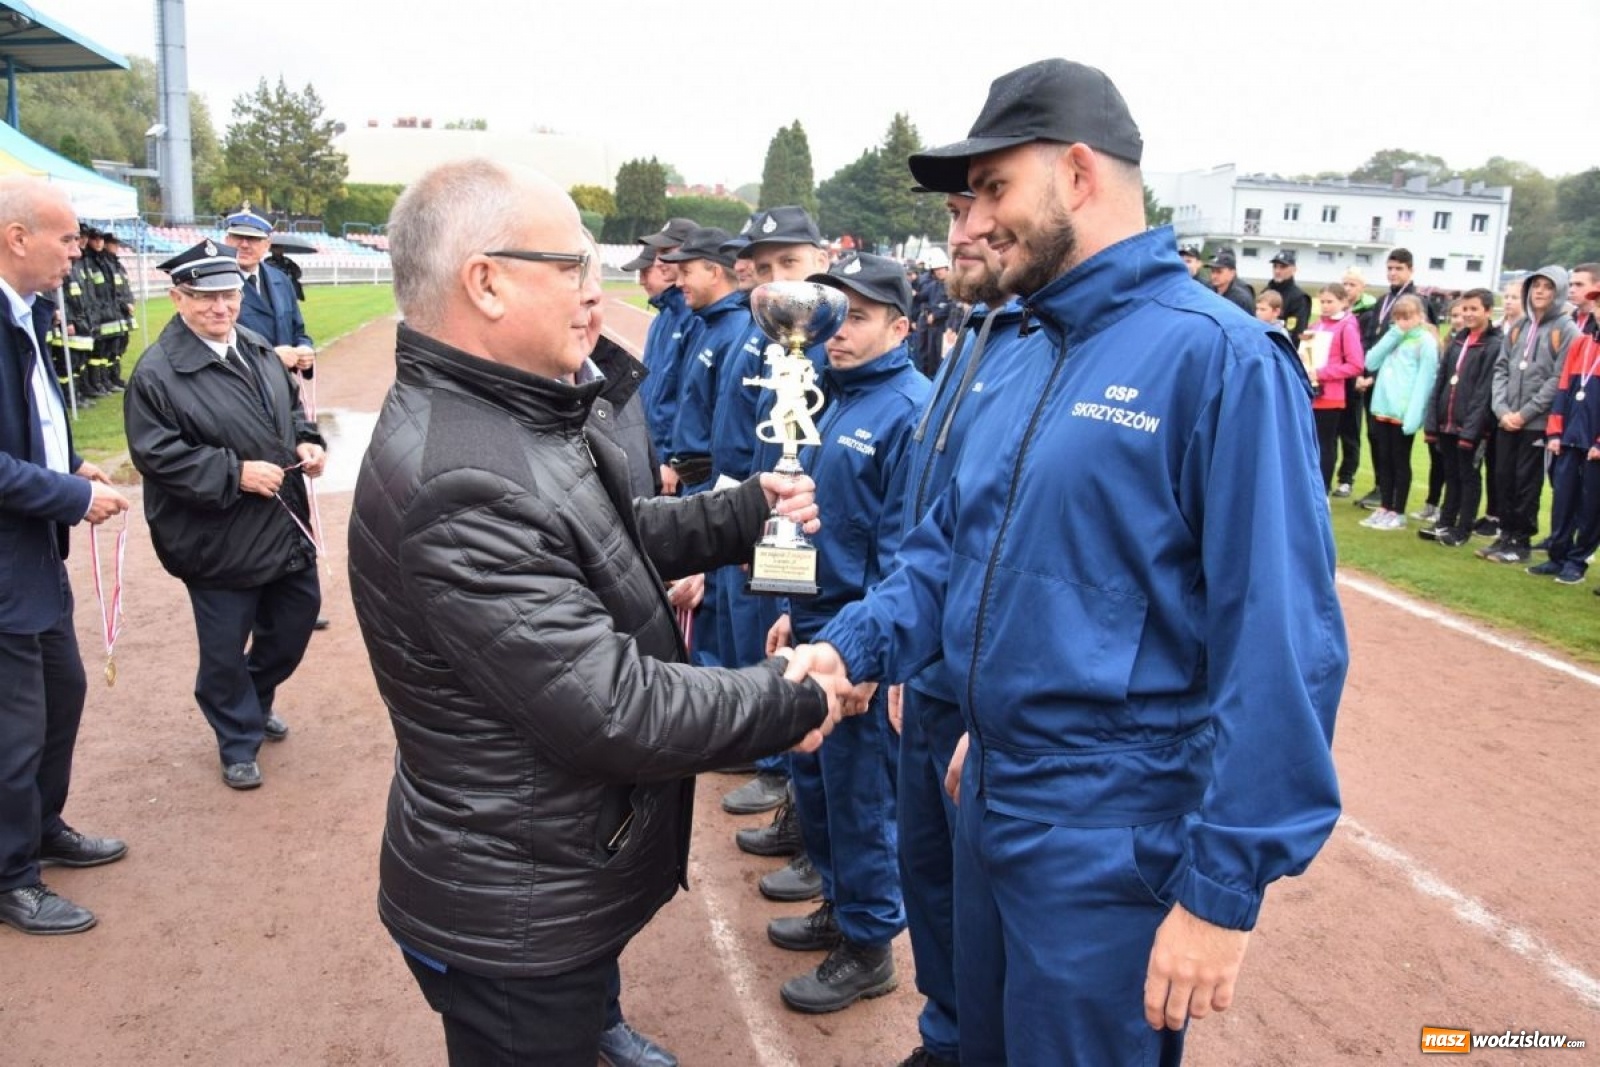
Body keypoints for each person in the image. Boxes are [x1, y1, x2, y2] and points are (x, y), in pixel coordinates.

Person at [787, 58, 1345, 1066]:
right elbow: (946, 555)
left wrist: (1220, 895)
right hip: (991, 798)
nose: (969, 222)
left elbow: (1282, 643)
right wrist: (848, 647)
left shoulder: (1217, 357)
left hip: (1111, 839)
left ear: (1078, 172)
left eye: (992, 189)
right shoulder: (1020, 346)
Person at [346, 158, 840, 1067]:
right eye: (572, 266)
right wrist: (792, 694)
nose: (598, 290)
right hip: (515, 915)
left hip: (542, 864)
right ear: (485, 282)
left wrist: (740, 512)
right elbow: (618, 707)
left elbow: (597, 538)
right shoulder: (464, 475)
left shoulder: (503, 413)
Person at [886, 190, 1041, 1067]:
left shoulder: (1037, 347)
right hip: (932, 660)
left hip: (981, 684)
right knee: (930, 873)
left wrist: (986, 710)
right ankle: (946, 1033)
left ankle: (975, 1038)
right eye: (953, 211)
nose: (962, 233)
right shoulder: (970, 334)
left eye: (986, 205)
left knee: (990, 903)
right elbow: (935, 524)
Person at [762, 252, 930, 1015]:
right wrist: (793, 607)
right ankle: (840, 907)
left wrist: (869, 662)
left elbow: (905, 553)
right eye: (834, 312)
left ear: (901, 325)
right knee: (819, 792)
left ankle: (869, 946)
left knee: (862, 801)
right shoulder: (827, 396)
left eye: (858, 315)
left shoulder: (911, 411)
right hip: (818, 624)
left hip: (862, 645)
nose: (838, 329)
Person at [123, 240, 327, 790]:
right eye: (206, 297)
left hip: (282, 523)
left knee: (294, 623)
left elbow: (291, 412)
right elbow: (156, 454)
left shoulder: (257, 346)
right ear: (178, 298)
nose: (221, 307)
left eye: (229, 295)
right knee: (222, 652)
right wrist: (232, 473)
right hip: (215, 536)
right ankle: (237, 739)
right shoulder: (157, 373)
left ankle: (252, 699)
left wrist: (308, 443)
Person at [0, 176, 131, 936]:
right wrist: (72, 499)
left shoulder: (27, 313)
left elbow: (36, 422)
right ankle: (13, 876)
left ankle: (41, 828)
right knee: (14, 729)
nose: (77, 253)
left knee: (63, 694)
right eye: (67, 238)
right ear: (17, 237)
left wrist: (73, 464)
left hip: (31, 554)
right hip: (8, 563)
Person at [1481, 266, 1577, 564]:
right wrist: (1502, 409)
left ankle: (1520, 540)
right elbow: (1500, 369)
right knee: (1503, 477)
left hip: (1534, 423)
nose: (1540, 291)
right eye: (1535, 285)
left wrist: (1524, 414)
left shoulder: (1566, 329)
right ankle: (1505, 533)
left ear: (1558, 292)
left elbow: (1558, 379)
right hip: (1506, 418)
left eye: (1548, 287)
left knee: (1526, 482)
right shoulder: (1520, 326)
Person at [1525, 281, 1599, 584]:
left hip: (1594, 442)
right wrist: (1555, 432)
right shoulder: (1582, 343)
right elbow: (1564, 390)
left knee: (1592, 504)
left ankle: (1577, 561)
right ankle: (1557, 555)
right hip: (1568, 436)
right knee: (1562, 499)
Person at [1352, 248, 1434, 510]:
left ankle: (1395, 503)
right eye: (1389, 268)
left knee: (1398, 455)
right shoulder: (1383, 300)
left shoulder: (1418, 301)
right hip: (1379, 388)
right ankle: (1381, 489)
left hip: (1402, 397)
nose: (1393, 273)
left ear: (1410, 270)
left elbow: (1424, 362)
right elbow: (1372, 339)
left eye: (1398, 268)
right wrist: (1367, 374)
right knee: (1377, 442)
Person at [1419, 289, 1500, 547]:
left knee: (1468, 476)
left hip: (1470, 426)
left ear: (1488, 311)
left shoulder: (1493, 345)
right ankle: (1445, 521)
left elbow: (1484, 392)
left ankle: (1463, 528)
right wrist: (1433, 421)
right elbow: (1441, 382)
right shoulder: (1456, 341)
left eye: (1474, 309)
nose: (1468, 314)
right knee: (1450, 474)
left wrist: (1471, 430)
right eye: (1465, 309)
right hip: (1448, 421)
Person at [1357, 294, 1438, 531]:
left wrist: (1414, 415)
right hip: (1382, 407)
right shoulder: (1394, 337)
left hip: (1403, 412)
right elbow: (1371, 361)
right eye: (1399, 317)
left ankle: (1398, 511)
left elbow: (1425, 380)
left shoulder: (1425, 341)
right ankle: (1384, 506)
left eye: (1408, 317)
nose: (1403, 322)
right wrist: (1393, 334)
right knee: (1384, 459)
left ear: (1419, 316)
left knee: (1399, 460)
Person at [223, 206, 316, 376]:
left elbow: (297, 330)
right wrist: (271, 357)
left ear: (267, 244)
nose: (244, 244)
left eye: (253, 238)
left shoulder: (281, 279)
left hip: (283, 385)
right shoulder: (214, 283)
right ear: (227, 240)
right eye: (238, 237)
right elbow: (211, 346)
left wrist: (305, 348)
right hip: (238, 388)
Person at [1303, 283, 1365, 493]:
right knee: (1309, 443)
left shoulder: (1346, 326)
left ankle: (1322, 488)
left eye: (1330, 302)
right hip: (1311, 393)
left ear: (1343, 302)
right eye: (1323, 302)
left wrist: (1322, 373)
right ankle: (1309, 484)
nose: (1326, 306)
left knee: (1325, 443)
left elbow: (1355, 364)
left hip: (1331, 395)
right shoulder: (1315, 326)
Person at [1331, 269, 1378, 496]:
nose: (1348, 288)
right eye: (1345, 283)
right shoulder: (1338, 312)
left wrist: (1362, 373)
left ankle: (1347, 477)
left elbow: (1367, 344)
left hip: (1353, 377)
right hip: (1334, 378)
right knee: (1331, 430)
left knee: (1350, 429)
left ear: (1362, 287)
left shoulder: (1368, 313)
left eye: (1352, 284)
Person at [1264, 250, 1311, 345]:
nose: (1277, 271)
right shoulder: (1265, 292)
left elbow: (1296, 333)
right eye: (1275, 266)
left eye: (1283, 267)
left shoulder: (1299, 298)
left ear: (1294, 269)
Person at [1206, 249, 1255, 313]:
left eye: (1219, 272)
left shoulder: (1241, 299)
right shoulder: (1207, 291)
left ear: (1232, 273)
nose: (1214, 276)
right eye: (1212, 271)